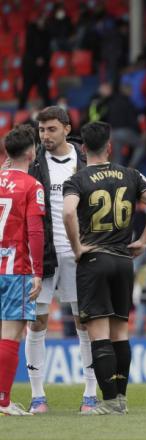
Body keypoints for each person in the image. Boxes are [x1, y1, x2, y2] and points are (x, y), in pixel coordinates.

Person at [62, 121, 146, 415]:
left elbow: (69, 211)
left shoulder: (78, 179)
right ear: (109, 147)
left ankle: (108, 403)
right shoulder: (131, 174)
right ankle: (120, 399)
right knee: (121, 332)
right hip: (123, 260)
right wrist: (144, 241)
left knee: (99, 334)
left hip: (94, 260)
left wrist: (77, 247)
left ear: (83, 149)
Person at [25, 106, 97, 414]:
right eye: (41, 130)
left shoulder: (84, 161)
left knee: (85, 323)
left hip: (78, 254)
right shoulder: (33, 163)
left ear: (67, 128)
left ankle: (90, 395)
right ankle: (38, 396)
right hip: (42, 255)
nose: (45, 136)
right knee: (36, 323)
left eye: (51, 129)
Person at [0, 126, 45, 416]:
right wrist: (38, 272)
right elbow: (36, 231)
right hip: (15, 268)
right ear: (32, 151)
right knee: (11, 334)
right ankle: (3, 400)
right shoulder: (32, 185)